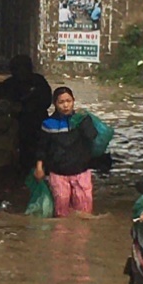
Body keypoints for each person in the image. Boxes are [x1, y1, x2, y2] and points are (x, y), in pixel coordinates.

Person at [34, 86, 97, 217]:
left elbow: (92, 137)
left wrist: (83, 121)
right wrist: (39, 167)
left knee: (84, 212)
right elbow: (42, 147)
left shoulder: (82, 120)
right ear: (55, 104)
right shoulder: (49, 124)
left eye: (68, 101)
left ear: (73, 101)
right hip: (58, 173)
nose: (65, 105)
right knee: (61, 211)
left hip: (81, 172)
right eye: (61, 102)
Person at [0, 54, 52, 171]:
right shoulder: (9, 84)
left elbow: (47, 101)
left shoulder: (38, 82)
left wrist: (25, 107)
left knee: (39, 152)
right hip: (17, 126)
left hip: (37, 123)